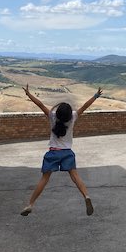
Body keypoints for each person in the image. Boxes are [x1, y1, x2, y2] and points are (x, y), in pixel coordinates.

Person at [20, 84, 103, 217]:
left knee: (44, 179)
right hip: (67, 153)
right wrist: (96, 96)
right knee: (75, 176)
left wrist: (28, 94)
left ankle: (30, 204)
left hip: (53, 152)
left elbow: (40, 104)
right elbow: (85, 106)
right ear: (69, 114)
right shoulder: (73, 117)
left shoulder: (52, 116)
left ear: (57, 113)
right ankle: (86, 196)